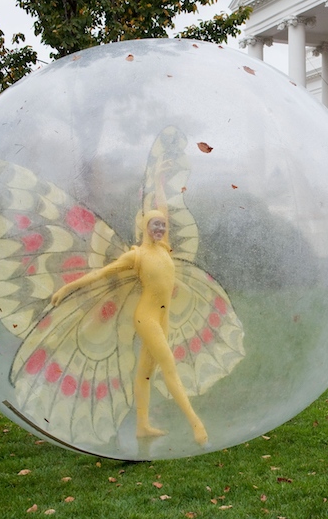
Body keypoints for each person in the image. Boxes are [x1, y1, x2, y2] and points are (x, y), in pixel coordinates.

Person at [50, 175, 209, 443]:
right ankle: (197, 426)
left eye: (162, 225)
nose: (159, 228)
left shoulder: (165, 249)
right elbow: (100, 274)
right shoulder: (136, 256)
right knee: (169, 366)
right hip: (146, 317)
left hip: (163, 317)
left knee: (145, 373)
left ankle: (142, 426)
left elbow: (163, 208)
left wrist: (160, 182)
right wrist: (66, 288)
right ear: (146, 227)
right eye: (154, 225)